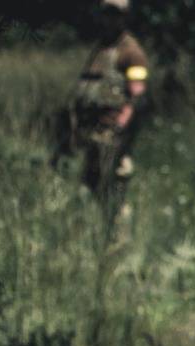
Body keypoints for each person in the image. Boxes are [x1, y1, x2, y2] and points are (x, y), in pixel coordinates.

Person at [53, 0, 150, 211]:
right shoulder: (102, 48)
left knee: (113, 190)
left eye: (115, 14)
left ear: (125, 17)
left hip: (112, 132)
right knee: (90, 187)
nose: (110, 19)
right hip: (91, 130)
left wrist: (119, 128)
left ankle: (118, 236)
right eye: (106, 13)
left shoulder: (131, 53)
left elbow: (137, 97)